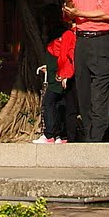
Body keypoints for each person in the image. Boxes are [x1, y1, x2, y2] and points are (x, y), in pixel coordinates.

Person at [61, 0, 109, 143]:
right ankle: (89, 132)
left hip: (103, 40)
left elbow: (107, 14)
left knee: (100, 91)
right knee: (83, 91)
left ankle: (97, 138)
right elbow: (69, 16)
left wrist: (79, 13)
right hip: (82, 41)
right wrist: (67, 1)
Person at [34, 8, 74, 145]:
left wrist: (63, 74)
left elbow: (63, 55)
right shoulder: (59, 34)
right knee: (58, 104)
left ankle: (50, 134)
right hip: (55, 72)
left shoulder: (63, 34)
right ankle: (59, 135)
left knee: (49, 103)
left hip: (58, 75)